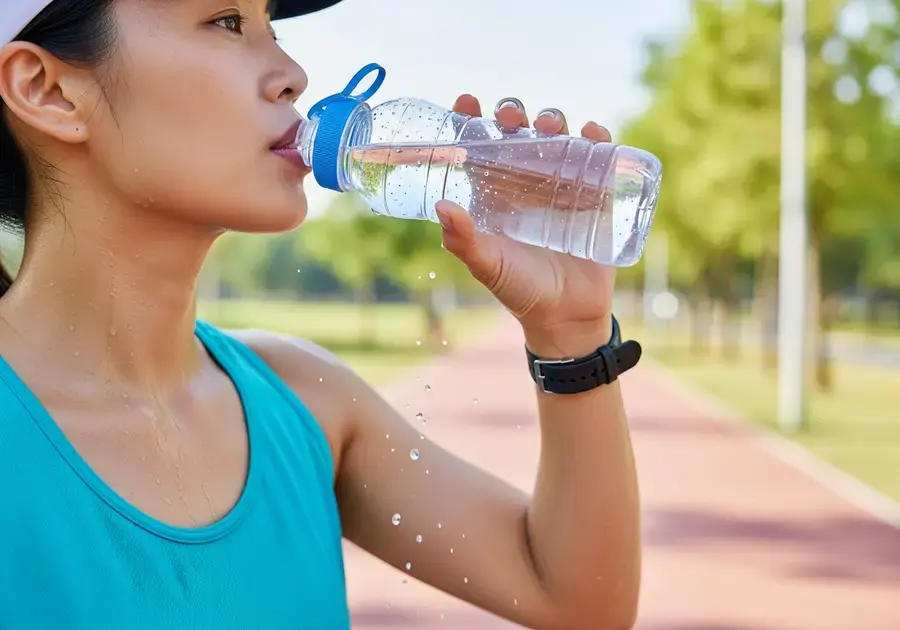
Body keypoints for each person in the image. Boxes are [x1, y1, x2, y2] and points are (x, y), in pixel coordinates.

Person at [0, 1, 642, 628]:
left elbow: (576, 600)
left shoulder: (304, 399)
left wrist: (570, 338)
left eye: (269, 24)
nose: (293, 73)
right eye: (227, 22)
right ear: (48, 90)